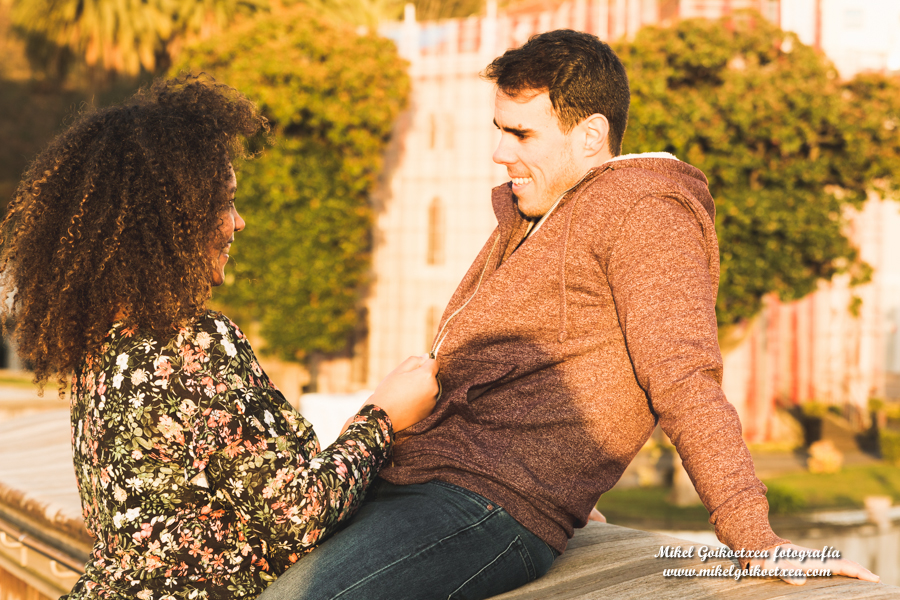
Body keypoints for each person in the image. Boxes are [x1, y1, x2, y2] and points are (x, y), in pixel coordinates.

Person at [259, 30, 880, 600]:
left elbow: (682, 376)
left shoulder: (648, 213)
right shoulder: (535, 213)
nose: (500, 152)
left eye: (521, 134)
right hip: (419, 480)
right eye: (499, 128)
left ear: (590, 135)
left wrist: (754, 538)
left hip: (483, 504)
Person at [0, 75, 439, 599]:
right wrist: (382, 416)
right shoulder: (191, 341)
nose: (240, 223)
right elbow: (297, 515)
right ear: (171, 223)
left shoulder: (103, 348)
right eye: (224, 204)